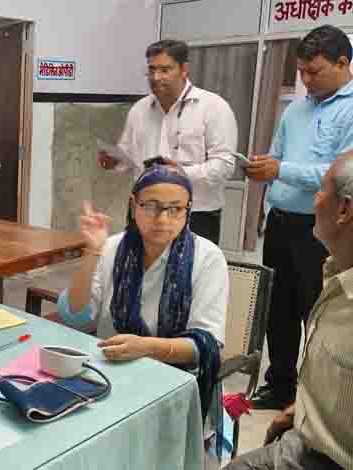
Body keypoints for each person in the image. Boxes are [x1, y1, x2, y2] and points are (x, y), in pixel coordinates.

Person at [56, 164, 228, 458]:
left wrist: (146, 348)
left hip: (173, 384)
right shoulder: (112, 248)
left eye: (175, 209)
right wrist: (92, 251)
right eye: (151, 206)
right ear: (133, 205)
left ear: (188, 210)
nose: (163, 219)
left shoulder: (206, 258)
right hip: (109, 376)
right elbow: (75, 314)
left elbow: (205, 345)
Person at [246, 25, 353, 411]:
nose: (306, 80)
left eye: (315, 71)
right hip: (281, 221)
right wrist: (263, 169)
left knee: (319, 312)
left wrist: (280, 170)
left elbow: (340, 174)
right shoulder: (296, 108)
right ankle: (280, 384)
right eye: (302, 72)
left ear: (344, 63)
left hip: (323, 230)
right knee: (279, 309)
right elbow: (278, 155)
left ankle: (316, 395)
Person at [224, 155, 353, 470]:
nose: (313, 201)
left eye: (319, 191)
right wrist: (304, 408)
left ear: (344, 210)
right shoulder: (336, 276)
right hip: (309, 434)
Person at [98, 39, 238, 245]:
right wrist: (115, 161)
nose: (156, 77)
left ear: (184, 69)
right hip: (144, 210)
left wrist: (181, 173)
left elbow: (224, 166)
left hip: (195, 214)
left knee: (189, 276)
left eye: (165, 69)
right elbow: (129, 157)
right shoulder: (139, 110)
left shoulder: (213, 107)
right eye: (151, 70)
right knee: (139, 274)